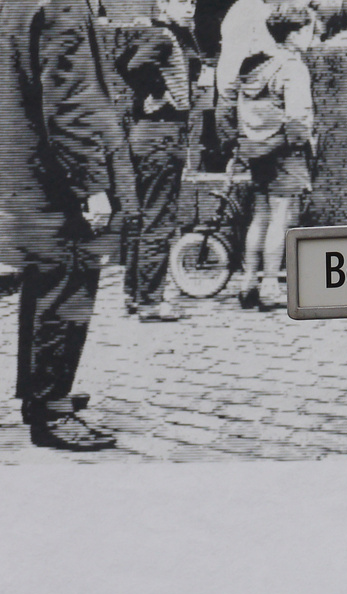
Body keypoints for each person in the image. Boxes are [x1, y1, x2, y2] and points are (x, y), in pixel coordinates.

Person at [0, 0, 131, 450]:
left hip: (27, 167)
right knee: (69, 288)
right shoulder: (62, 5)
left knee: (45, 284)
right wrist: (92, 184)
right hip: (57, 175)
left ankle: (40, 396)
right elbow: (70, 104)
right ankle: (51, 410)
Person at [225, 0, 315, 309]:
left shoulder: (256, 65)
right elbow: (298, 118)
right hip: (285, 151)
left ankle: (248, 281)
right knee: (281, 217)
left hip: (257, 149)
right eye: (308, 31)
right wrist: (302, 141)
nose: (310, 38)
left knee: (259, 215)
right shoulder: (292, 67)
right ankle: (269, 287)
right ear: (294, 34)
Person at [115, 0, 201, 322]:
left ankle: (133, 294)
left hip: (147, 135)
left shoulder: (158, 32)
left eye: (193, 2)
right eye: (181, 1)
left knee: (143, 218)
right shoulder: (163, 37)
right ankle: (150, 301)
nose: (190, 7)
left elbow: (121, 61)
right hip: (163, 135)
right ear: (162, 4)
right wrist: (159, 93)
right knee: (159, 219)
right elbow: (132, 67)